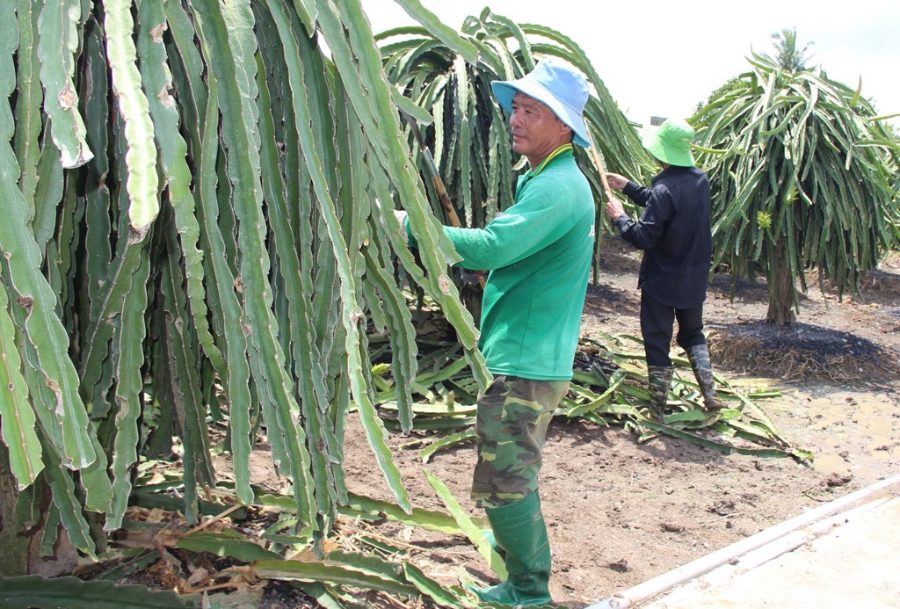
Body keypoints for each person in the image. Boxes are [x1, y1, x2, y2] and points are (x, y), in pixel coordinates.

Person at [394, 57, 595, 606]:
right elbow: (515, 256)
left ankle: (528, 592)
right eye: (515, 107)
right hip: (524, 352)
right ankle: (519, 574)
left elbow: (495, 245)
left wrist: (410, 224)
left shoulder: (558, 187)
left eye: (531, 110)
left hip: (526, 359)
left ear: (564, 125)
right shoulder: (547, 180)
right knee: (504, 476)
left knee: (506, 483)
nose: (516, 118)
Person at [603, 118, 724, 421]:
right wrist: (628, 186)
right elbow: (666, 204)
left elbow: (644, 236)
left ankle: (657, 406)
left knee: (657, 339)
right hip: (692, 275)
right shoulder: (700, 180)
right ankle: (710, 392)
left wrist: (620, 217)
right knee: (693, 333)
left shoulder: (664, 189)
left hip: (662, 279)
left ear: (661, 152)